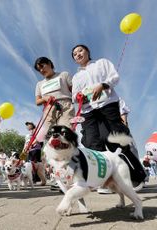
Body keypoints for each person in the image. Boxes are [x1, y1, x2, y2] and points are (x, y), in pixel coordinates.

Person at [71, 44, 146, 187]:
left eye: (80, 50)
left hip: (107, 105)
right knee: (93, 143)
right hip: (88, 112)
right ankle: (103, 182)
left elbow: (114, 77)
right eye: (74, 54)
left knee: (117, 140)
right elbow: (74, 96)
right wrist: (79, 96)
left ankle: (137, 176)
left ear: (87, 51)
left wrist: (103, 85)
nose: (78, 54)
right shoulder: (76, 77)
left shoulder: (101, 63)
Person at [34, 57, 75, 134]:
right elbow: (37, 101)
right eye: (39, 70)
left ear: (49, 63)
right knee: (49, 134)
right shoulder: (39, 84)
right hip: (48, 109)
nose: (41, 70)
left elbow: (75, 91)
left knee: (65, 132)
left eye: (42, 66)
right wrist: (45, 98)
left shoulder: (64, 75)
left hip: (65, 106)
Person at [23, 122, 46, 186]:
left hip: (36, 150)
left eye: (28, 124)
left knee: (37, 166)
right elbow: (26, 144)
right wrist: (24, 150)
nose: (27, 126)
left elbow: (38, 139)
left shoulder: (37, 131)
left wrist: (32, 144)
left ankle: (41, 180)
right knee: (29, 166)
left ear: (32, 125)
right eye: (26, 125)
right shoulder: (27, 135)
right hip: (30, 151)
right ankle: (33, 180)